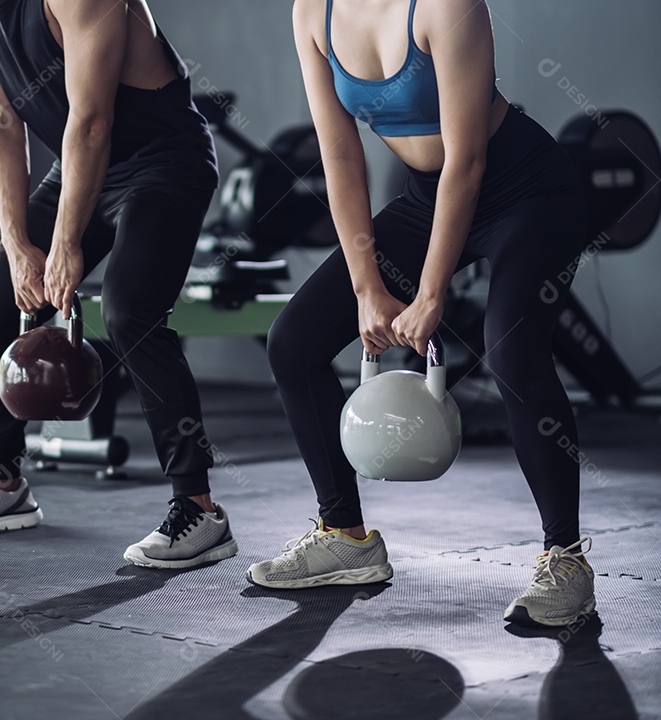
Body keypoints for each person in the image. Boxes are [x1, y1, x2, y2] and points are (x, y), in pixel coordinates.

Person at [247, 0, 595, 627]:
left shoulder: (448, 5)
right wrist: (366, 287)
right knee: (293, 342)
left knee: (511, 350)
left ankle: (565, 560)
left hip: (527, 193)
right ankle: (344, 536)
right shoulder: (312, 13)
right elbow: (340, 155)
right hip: (424, 197)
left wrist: (430, 293)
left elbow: (468, 162)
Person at [0, 0, 239, 570]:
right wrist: (16, 245)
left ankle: (199, 508)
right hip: (78, 165)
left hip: (162, 163)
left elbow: (92, 121)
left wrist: (65, 244)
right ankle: (2, 479)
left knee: (130, 311)